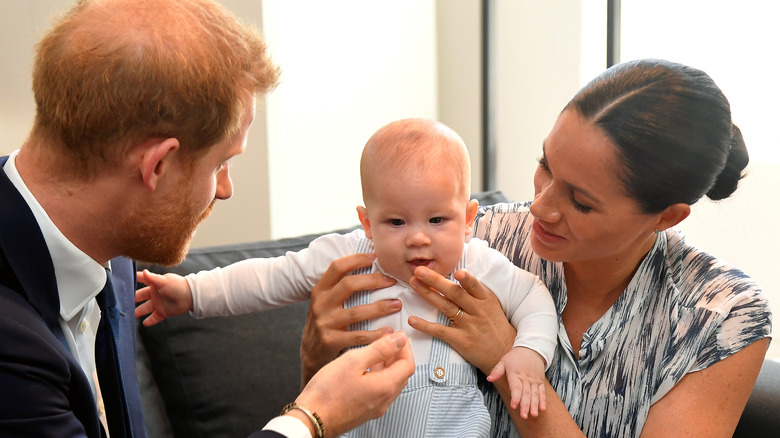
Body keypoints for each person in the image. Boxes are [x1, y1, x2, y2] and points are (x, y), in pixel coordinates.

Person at [0, 1, 413, 438]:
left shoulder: (113, 252)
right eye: (221, 163)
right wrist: (311, 418)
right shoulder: (11, 347)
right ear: (157, 166)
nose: (225, 189)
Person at [297, 59, 773, 437]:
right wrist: (316, 358)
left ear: (666, 217)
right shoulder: (474, 239)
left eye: (580, 202)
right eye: (545, 165)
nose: (540, 208)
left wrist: (507, 358)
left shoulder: (720, 315)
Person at [135, 117, 558, 436]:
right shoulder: (350, 255)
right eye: (395, 222)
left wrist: (527, 355)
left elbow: (534, 299)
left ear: (467, 219)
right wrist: (191, 292)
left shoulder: (478, 263)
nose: (417, 239)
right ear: (367, 223)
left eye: (436, 219)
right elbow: (269, 278)